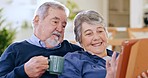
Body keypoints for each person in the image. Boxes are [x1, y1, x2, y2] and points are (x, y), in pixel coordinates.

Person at [0, 1, 83, 78]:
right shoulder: (15, 50)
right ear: (37, 20)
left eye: (63, 25)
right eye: (55, 22)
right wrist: (24, 71)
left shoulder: (74, 51)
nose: (60, 29)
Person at [59, 10, 148, 78]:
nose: (97, 37)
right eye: (89, 33)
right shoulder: (72, 61)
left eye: (100, 31)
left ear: (106, 33)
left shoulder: (122, 58)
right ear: (79, 39)